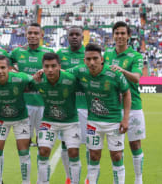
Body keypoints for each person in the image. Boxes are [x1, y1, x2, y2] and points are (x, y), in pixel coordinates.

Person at [69, 43, 131, 184]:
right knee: (94, 156)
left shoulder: (114, 73)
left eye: (95, 58)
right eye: (88, 59)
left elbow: (127, 93)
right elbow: (62, 74)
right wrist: (42, 71)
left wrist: (125, 118)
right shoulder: (80, 70)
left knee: (116, 156)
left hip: (114, 121)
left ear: (102, 59)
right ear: (84, 60)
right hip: (94, 122)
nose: (92, 62)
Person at [104, 21, 145, 184]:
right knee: (116, 150)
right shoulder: (107, 54)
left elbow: (136, 78)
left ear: (128, 36)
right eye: (117, 33)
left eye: (123, 33)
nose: (120, 36)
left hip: (133, 106)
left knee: (135, 145)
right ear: (113, 35)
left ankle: (138, 180)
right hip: (112, 107)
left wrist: (122, 71)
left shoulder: (135, 56)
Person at [31, 53, 81, 184]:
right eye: (46, 66)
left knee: (74, 152)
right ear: (42, 67)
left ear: (59, 66)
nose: (50, 70)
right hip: (49, 121)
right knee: (43, 151)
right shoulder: (38, 80)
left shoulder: (70, 79)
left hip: (70, 122)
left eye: (53, 66)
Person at [0, 55, 32, 184]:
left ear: (9, 68)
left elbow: (37, 78)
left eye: (3, 68)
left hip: (21, 119)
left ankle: (26, 182)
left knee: (24, 152)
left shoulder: (20, 78)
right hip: (0, 120)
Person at [10, 23, 53, 146]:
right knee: (25, 142)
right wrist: (17, 73)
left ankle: (42, 164)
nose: (32, 36)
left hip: (43, 102)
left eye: (36, 33)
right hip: (24, 103)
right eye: (30, 33)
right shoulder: (17, 52)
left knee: (43, 143)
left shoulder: (48, 52)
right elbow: (6, 64)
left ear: (41, 35)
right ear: (26, 35)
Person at [56, 26, 88, 184]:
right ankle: (68, 177)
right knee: (65, 143)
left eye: (77, 35)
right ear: (67, 37)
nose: (74, 37)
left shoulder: (88, 54)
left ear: (83, 37)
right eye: (71, 35)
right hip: (66, 106)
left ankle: (89, 178)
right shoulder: (60, 54)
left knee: (89, 143)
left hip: (86, 106)